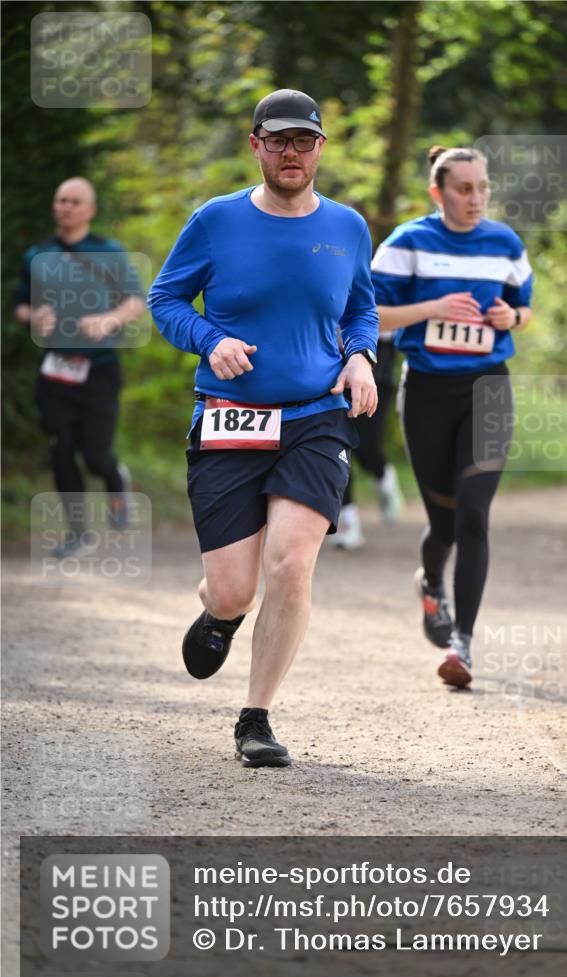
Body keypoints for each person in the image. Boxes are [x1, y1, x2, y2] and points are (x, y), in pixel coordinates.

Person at [148, 89, 378, 768]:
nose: (290, 153)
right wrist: (207, 338)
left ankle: (256, 717)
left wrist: (361, 355)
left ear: (319, 149)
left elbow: (360, 308)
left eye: (302, 141)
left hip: (315, 416)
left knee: (290, 563)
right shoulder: (215, 221)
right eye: (277, 140)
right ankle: (220, 613)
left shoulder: (347, 227)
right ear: (255, 145)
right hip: (229, 416)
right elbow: (165, 299)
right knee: (235, 587)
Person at [371, 146, 533, 688]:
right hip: (427, 393)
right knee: (443, 521)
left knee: (473, 515)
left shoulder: (505, 243)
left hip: (487, 390)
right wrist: (430, 309)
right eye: (464, 189)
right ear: (438, 193)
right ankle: (431, 582)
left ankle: (462, 644)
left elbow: (523, 307)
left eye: (483, 187)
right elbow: (366, 316)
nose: (476, 198)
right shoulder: (408, 243)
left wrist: (513, 315)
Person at [14, 177, 145, 556]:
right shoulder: (37, 255)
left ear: (90, 210)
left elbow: (136, 301)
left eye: (74, 201)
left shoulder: (109, 252)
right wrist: (33, 316)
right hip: (55, 369)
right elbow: (21, 304)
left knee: (94, 454)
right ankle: (77, 533)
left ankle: (115, 478)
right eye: (61, 200)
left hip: (99, 369)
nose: (66, 207)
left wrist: (108, 320)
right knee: (60, 449)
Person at [331, 334, 403, 550]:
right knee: (336, 444)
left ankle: (383, 475)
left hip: (374, 358)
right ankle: (347, 522)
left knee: (364, 445)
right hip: (326, 357)